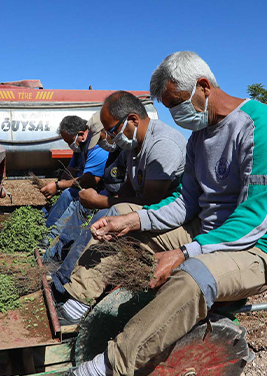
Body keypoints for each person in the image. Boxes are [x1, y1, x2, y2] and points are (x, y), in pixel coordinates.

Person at [10, 51, 267, 376]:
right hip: (209, 233)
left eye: (176, 104)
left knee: (192, 277)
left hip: (260, 248)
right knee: (124, 216)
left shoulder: (264, 126)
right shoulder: (199, 138)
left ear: (203, 87)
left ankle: (94, 374)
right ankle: (76, 308)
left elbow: (255, 218)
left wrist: (186, 252)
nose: (176, 114)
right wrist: (132, 220)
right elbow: (186, 205)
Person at [48, 90, 187, 305]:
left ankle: (77, 297)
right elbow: (130, 191)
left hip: (171, 215)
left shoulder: (162, 146)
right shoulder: (131, 147)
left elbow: (149, 202)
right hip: (150, 210)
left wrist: (98, 201)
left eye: (112, 130)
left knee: (110, 215)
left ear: (132, 119)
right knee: (104, 213)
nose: (109, 136)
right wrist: (103, 202)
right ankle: (63, 278)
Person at [40, 113, 109, 232]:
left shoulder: (96, 147)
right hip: (81, 186)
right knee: (62, 196)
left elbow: (89, 180)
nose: (68, 145)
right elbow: (70, 169)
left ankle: (51, 233)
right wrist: (58, 184)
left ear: (81, 134)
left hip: (96, 190)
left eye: (69, 141)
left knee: (68, 194)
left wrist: (58, 186)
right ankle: (44, 225)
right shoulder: (80, 146)